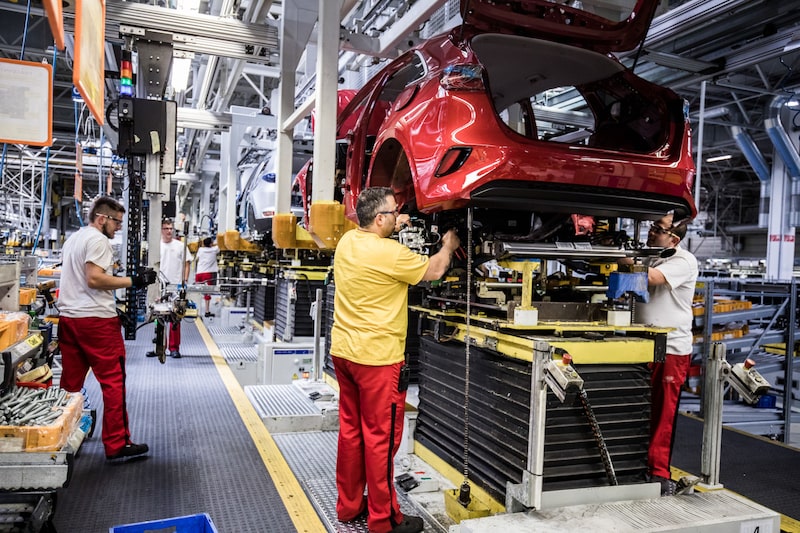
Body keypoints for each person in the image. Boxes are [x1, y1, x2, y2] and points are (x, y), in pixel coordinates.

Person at [330, 187, 460, 533]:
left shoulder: (347, 242)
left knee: (352, 432)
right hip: (377, 360)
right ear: (379, 218)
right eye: (393, 211)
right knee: (380, 439)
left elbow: (379, 240)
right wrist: (448, 245)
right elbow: (433, 271)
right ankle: (383, 521)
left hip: (344, 353)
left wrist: (397, 224)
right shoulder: (391, 253)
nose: (399, 213)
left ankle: (348, 507)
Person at [58, 196, 157, 461]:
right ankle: (116, 444)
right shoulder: (99, 240)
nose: (118, 228)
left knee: (69, 384)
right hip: (96, 324)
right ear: (103, 218)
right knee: (113, 382)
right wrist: (133, 281)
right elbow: (94, 279)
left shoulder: (75, 238)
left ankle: (60, 436)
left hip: (69, 319)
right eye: (117, 223)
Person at [624, 212, 698, 496]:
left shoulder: (683, 260)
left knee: (661, 414)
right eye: (651, 226)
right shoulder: (653, 255)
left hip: (671, 349)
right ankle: (634, 466)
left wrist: (619, 257)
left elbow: (652, 278)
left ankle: (658, 476)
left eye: (658, 228)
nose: (652, 232)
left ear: (674, 238)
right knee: (640, 411)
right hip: (642, 345)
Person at [159, 217, 193, 358]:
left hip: (176, 286)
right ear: (161, 230)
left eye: (171, 228)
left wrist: (184, 280)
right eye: (166, 228)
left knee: (175, 318)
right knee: (159, 317)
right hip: (160, 286)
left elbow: (187, 263)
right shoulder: (156, 245)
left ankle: (174, 348)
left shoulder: (180, 246)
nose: (169, 231)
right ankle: (160, 347)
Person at [194, 236, 219, 317]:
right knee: (207, 293)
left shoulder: (200, 250)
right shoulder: (214, 249)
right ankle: (207, 311)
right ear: (211, 243)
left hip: (199, 273)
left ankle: (196, 310)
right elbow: (220, 245)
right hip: (208, 274)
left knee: (198, 292)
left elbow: (197, 258)